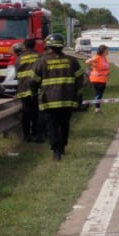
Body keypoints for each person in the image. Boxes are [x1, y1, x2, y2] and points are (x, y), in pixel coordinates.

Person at [32, 33, 84, 161]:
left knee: (52, 126)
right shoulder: (72, 61)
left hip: (49, 101)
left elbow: (33, 81)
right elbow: (80, 80)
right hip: (67, 100)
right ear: (62, 46)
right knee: (64, 124)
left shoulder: (41, 62)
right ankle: (62, 147)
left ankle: (56, 151)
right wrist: (78, 97)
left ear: (48, 46)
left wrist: (34, 93)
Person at [14, 39, 44, 141]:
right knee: (37, 112)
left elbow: (17, 73)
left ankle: (26, 136)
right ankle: (36, 134)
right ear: (34, 46)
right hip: (37, 89)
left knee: (26, 113)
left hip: (23, 88)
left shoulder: (19, 58)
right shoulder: (40, 56)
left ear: (24, 47)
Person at [85, 45, 111, 112]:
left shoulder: (105, 58)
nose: (108, 51)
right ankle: (97, 108)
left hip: (102, 79)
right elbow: (87, 61)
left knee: (100, 93)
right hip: (96, 79)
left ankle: (97, 107)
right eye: (106, 50)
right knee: (98, 93)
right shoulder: (97, 57)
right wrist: (93, 65)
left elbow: (106, 67)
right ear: (103, 51)